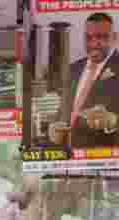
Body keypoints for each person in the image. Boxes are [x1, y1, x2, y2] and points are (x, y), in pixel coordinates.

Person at [59, 14, 119, 149]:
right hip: (65, 155)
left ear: (114, 38)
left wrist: (114, 121)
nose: (93, 43)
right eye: (88, 38)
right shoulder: (72, 69)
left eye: (101, 37)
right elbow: (62, 111)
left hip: (101, 157)